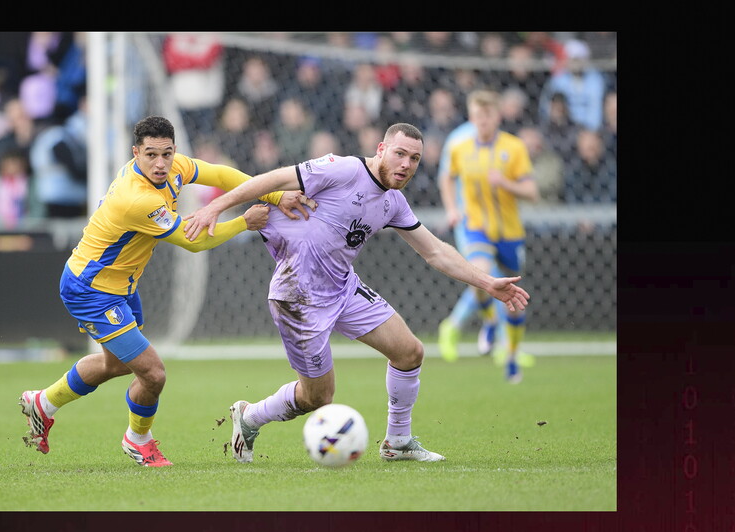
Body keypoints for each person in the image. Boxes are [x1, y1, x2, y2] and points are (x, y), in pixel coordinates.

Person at [182, 122, 530, 464]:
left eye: (415, 159)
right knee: (318, 397)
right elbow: (272, 180)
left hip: (343, 288)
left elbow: (434, 250)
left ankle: (398, 442)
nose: (406, 164)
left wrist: (486, 282)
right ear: (381, 149)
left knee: (410, 352)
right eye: (399, 154)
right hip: (297, 297)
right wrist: (215, 206)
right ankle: (251, 416)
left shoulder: (393, 202)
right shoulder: (344, 169)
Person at [18, 116, 315, 467]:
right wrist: (243, 223)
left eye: (167, 154)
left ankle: (43, 403)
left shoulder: (174, 168)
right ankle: (137, 440)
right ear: (135, 153)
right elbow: (194, 241)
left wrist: (276, 194)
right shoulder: (137, 199)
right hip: (91, 290)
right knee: (153, 373)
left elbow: (222, 175)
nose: (160, 164)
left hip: (121, 284)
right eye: (151, 155)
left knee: (116, 365)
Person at [438, 90, 539, 383]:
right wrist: (452, 209)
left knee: (514, 297)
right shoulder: (460, 147)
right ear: (471, 118)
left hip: (508, 232)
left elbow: (532, 192)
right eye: (477, 116)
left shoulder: (514, 147)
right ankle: (490, 322)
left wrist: (506, 183)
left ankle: (511, 355)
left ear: (498, 116)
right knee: (480, 275)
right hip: (475, 226)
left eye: (488, 116)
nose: (482, 121)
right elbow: (446, 176)